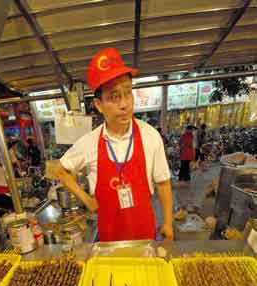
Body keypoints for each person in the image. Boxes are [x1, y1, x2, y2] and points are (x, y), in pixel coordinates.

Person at [46, 47, 173, 242]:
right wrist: (87, 200)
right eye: (114, 97)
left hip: (145, 235)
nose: (124, 104)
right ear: (99, 105)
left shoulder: (150, 135)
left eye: (128, 93)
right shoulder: (88, 143)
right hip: (109, 240)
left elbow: (163, 183)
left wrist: (168, 223)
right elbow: (61, 170)